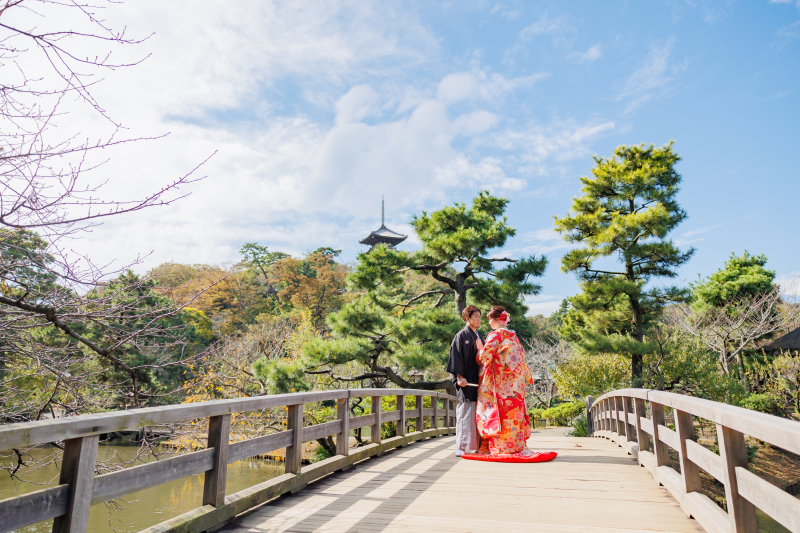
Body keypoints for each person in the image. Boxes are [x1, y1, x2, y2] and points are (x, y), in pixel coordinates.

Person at [476, 305, 534, 456]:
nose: (489, 323)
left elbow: (484, 357)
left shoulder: (496, 335)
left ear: (498, 320)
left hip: (502, 383)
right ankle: (517, 446)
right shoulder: (514, 337)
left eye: (490, 319)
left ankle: (502, 447)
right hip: (517, 383)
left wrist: (479, 350)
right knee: (515, 414)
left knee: (501, 413)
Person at [446, 304, 484, 457]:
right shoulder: (461, 335)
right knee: (466, 413)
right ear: (467, 318)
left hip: (479, 382)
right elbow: (456, 357)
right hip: (466, 381)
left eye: (480, 317)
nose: (479, 319)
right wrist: (459, 377)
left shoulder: (479, 336)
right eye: (476, 316)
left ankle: (477, 446)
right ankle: (461, 446)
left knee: (478, 415)